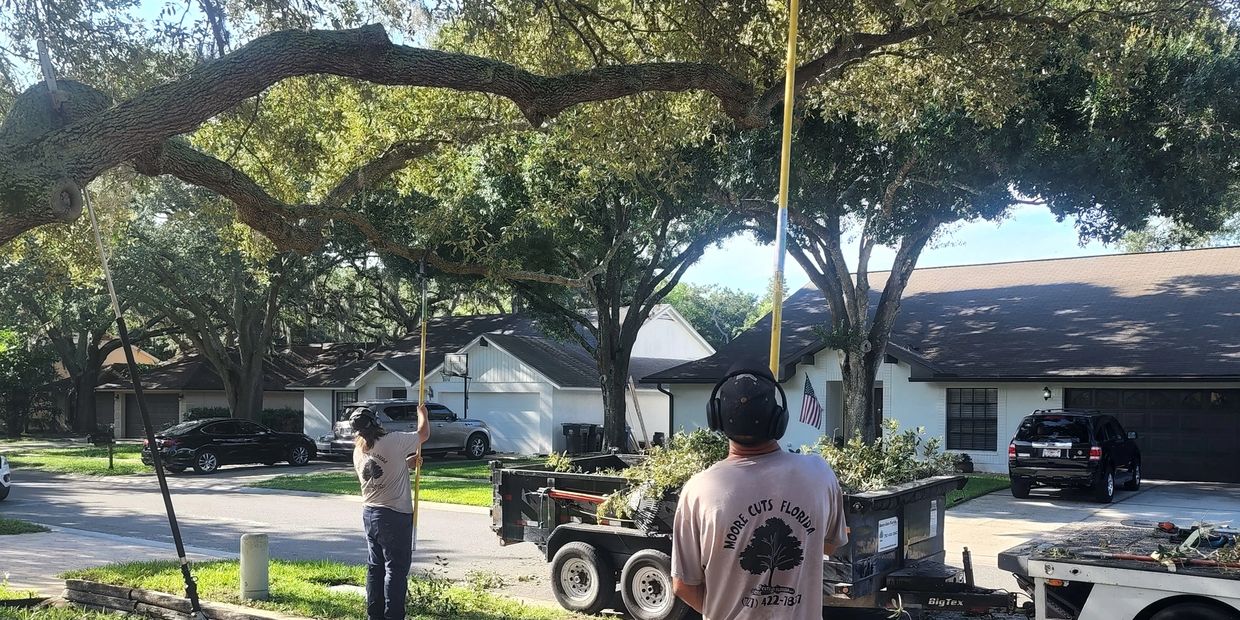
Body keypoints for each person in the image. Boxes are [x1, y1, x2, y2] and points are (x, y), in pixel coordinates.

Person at [671, 360, 849, 620]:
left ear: (716, 417)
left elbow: (683, 585)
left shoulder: (698, 491)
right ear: (779, 419)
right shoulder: (819, 474)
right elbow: (828, 546)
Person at [351, 404, 430, 620]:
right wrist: (422, 413)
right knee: (395, 569)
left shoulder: (359, 450)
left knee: (375, 568)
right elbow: (423, 434)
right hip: (394, 514)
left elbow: (379, 472)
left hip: (370, 513)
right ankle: (393, 616)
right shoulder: (392, 441)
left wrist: (406, 464)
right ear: (377, 423)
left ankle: (374, 616)